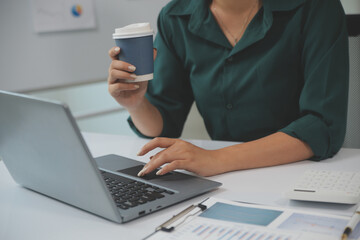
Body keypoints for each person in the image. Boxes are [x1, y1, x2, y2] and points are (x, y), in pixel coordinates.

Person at [107, 0, 349, 177]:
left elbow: (322, 126)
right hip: (225, 178)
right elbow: (163, 124)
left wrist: (216, 159)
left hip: (300, 172)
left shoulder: (316, 7)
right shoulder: (175, 17)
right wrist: (137, 103)